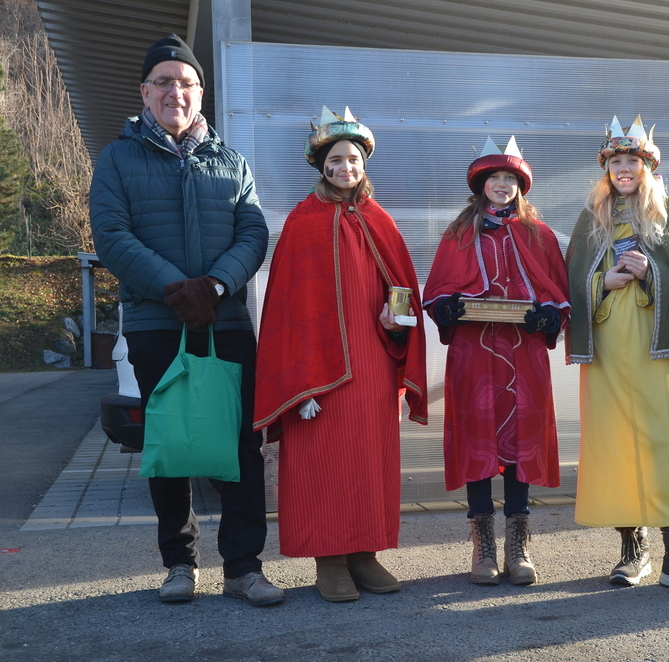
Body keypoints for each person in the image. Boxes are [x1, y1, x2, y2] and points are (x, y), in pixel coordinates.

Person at [89, 35, 282, 606]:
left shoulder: (232, 162)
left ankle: (243, 567)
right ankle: (180, 563)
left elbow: (253, 233)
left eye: (187, 82)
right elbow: (112, 235)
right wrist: (178, 290)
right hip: (155, 323)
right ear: (145, 92)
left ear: (201, 93)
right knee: (169, 440)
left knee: (241, 443)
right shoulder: (117, 158)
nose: (176, 91)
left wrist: (214, 286)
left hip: (226, 322)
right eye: (165, 82)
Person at [253, 106, 427, 603]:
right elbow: (288, 309)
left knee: (369, 460)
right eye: (335, 160)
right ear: (321, 165)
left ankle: (365, 554)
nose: (345, 167)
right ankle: (328, 561)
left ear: (363, 164)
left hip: (373, 363)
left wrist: (398, 324)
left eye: (352, 159)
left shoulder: (380, 219)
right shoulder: (302, 222)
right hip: (318, 373)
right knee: (321, 463)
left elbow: (402, 291)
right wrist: (296, 381)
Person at [565, 116, 669, 595]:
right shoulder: (591, 218)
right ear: (606, 167)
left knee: (662, 444)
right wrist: (604, 280)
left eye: (632, 161)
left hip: (656, 347)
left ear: (648, 167)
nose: (623, 168)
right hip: (606, 348)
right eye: (615, 160)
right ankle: (632, 550)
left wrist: (650, 271)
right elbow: (570, 281)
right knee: (614, 443)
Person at [423, 136, 570, 586]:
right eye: (494, 178)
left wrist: (549, 315)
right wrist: (446, 307)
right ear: (481, 184)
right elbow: (437, 288)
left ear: (520, 185)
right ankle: (482, 544)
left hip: (524, 352)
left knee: (522, 439)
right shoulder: (458, 233)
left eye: (510, 178)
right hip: (474, 353)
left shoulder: (540, 234)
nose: (502, 185)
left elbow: (558, 290)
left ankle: (517, 544)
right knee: (478, 439)